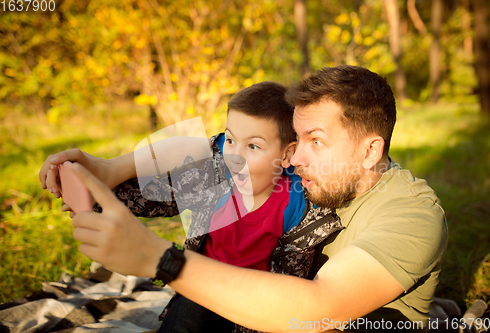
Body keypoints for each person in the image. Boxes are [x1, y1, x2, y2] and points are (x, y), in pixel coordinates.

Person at [40, 65, 447, 333]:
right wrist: (108, 169)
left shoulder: (412, 214)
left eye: (316, 142)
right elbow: (207, 149)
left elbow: (320, 309)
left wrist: (159, 259)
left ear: (370, 151)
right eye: (296, 140)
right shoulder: (298, 172)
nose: (296, 157)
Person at [40, 81, 343, 333]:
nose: (234, 156)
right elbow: (158, 193)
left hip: (257, 299)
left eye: (253, 146)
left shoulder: (296, 207)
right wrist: (94, 196)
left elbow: (288, 288)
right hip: (202, 282)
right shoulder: (216, 175)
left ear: (287, 154)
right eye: (230, 140)